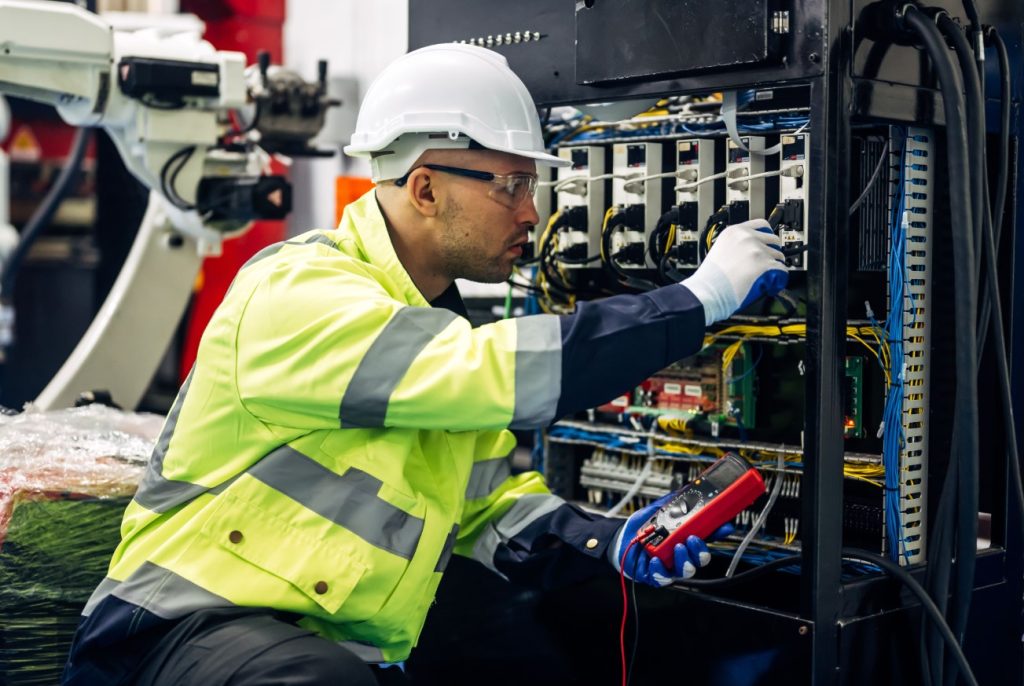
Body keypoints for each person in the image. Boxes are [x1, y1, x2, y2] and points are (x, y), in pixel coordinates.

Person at [62, 43, 787, 685]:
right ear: (425, 187)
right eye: (510, 185)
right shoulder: (299, 291)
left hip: (326, 647)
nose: (531, 213)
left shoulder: (432, 324)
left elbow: (486, 507)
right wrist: (697, 300)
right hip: (173, 635)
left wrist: (610, 540)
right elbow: (490, 373)